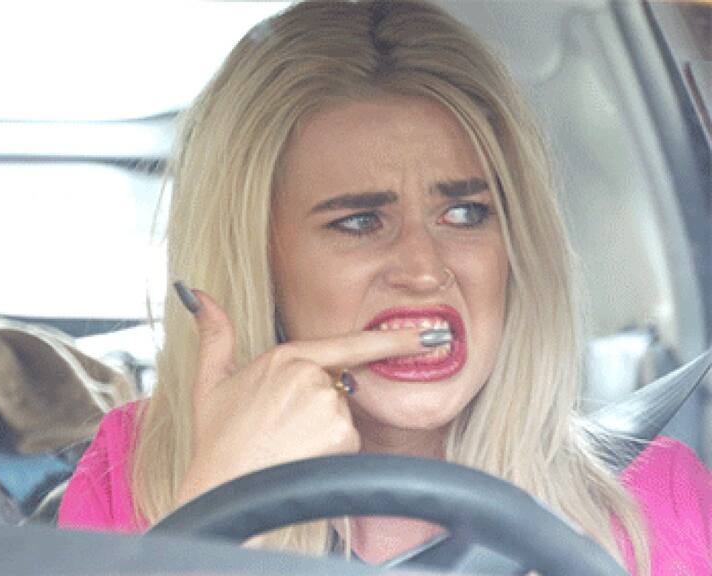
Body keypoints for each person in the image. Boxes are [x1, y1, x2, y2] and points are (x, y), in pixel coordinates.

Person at [57, 1, 711, 574]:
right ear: (260, 261)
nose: (424, 270)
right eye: (360, 221)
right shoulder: (135, 474)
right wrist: (217, 510)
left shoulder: (656, 496)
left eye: (465, 213)